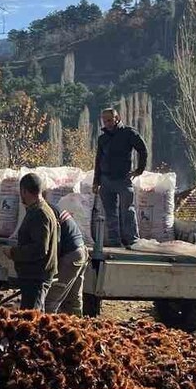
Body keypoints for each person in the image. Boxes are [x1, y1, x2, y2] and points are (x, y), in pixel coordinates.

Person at [91, 107, 148, 248]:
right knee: (110, 214)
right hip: (106, 180)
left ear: (117, 118)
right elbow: (98, 160)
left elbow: (142, 149)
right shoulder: (102, 138)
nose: (107, 123)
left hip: (123, 179)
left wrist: (139, 170)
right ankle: (114, 242)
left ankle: (132, 241)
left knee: (127, 211)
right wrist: (96, 181)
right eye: (104, 121)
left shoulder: (128, 133)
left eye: (110, 120)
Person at [9, 172, 58, 310]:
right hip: (34, 275)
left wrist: (13, 253)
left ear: (24, 191)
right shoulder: (38, 210)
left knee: (30, 318)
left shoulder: (40, 213)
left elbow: (40, 248)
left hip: (36, 277)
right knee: (36, 319)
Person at [45, 201, 88, 315]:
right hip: (81, 251)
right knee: (73, 301)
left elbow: (55, 244)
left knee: (49, 302)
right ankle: (77, 328)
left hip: (70, 256)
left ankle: (48, 329)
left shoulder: (45, 212)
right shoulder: (53, 208)